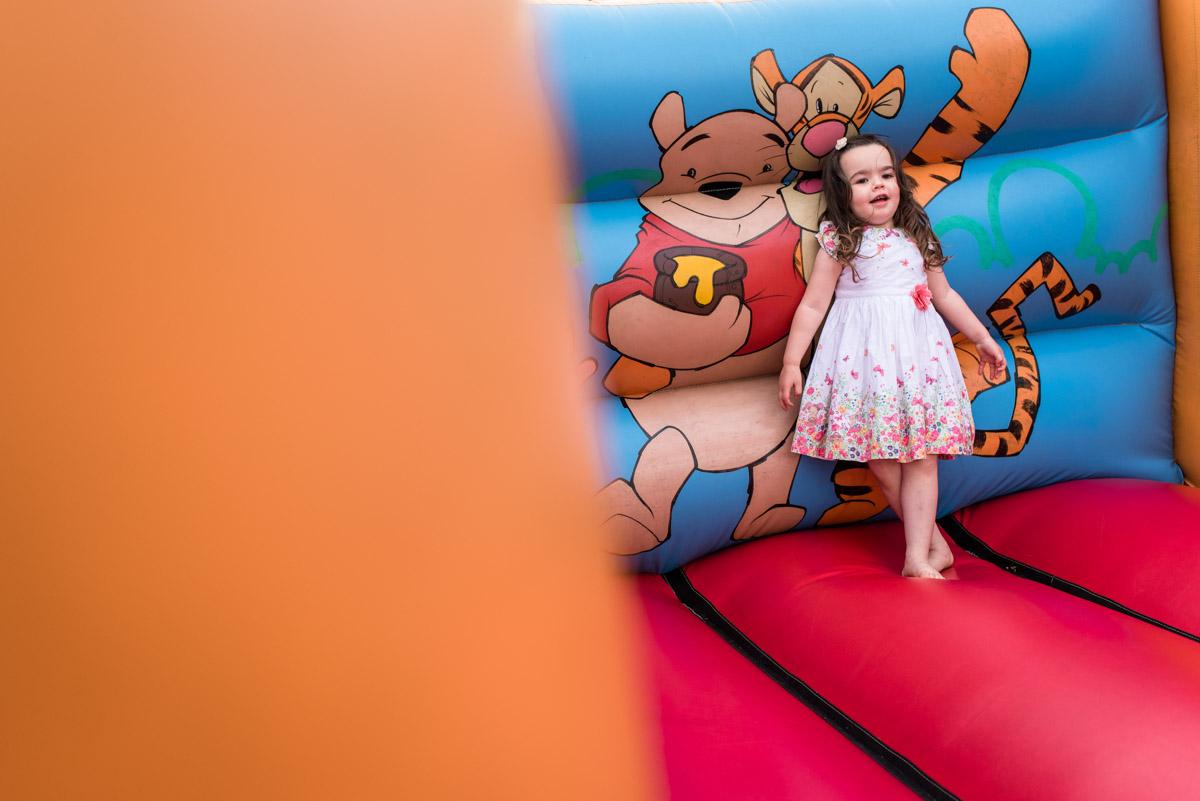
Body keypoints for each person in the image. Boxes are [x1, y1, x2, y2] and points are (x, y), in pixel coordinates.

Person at [778, 133, 1006, 579]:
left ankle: (915, 558)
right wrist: (791, 361)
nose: (877, 185)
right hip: (865, 364)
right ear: (843, 194)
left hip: (917, 358)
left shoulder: (916, 233)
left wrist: (980, 336)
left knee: (921, 455)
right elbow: (813, 304)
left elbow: (943, 293)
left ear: (898, 180)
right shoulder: (839, 238)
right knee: (881, 464)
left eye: (885, 175)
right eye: (861, 179)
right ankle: (935, 547)